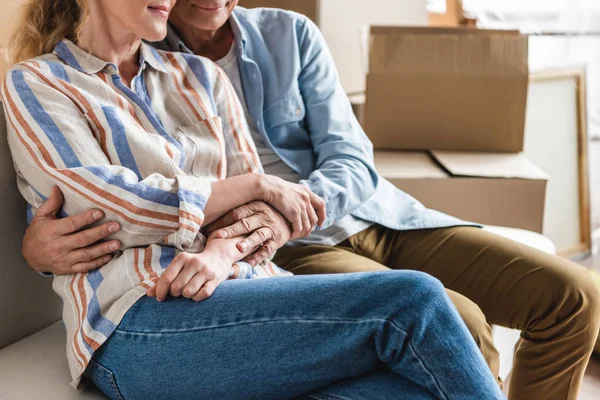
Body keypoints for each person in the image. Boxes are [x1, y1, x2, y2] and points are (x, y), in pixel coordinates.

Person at [17, 1, 599, 399]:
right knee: (416, 301)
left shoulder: (198, 77)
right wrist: (252, 187)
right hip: (136, 322)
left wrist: (225, 243)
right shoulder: (39, 82)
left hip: (261, 281)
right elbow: (109, 204)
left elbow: (334, 166)